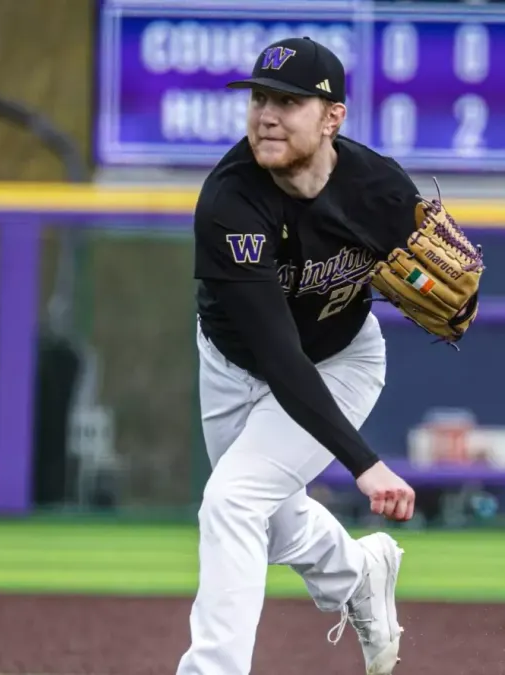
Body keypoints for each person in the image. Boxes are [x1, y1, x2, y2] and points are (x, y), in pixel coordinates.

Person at [178, 36, 425, 675]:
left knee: (232, 502)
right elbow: (278, 355)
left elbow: (435, 278)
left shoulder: (381, 190)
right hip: (238, 366)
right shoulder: (231, 201)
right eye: (260, 98)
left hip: (343, 361)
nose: (267, 114)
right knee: (268, 516)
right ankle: (359, 574)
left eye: (288, 102)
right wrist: (364, 465)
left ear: (332, 116)